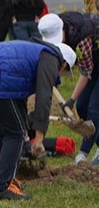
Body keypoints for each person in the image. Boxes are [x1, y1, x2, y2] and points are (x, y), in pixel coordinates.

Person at [0, 39, 76, 200]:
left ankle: (2, 177)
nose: (59, 76)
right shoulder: (51, 57)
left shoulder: (32, 53)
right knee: (15, 133)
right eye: (62, 73)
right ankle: (2, 187)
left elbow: (19, 101)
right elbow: (44, 97)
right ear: (64, 65)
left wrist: (28, 129)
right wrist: (39, 139)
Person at [39, 11, 99, 165]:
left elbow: (85, 73)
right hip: (95, 64)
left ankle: (83, 153)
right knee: (83, 106)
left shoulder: (82, 39)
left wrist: (71, 100)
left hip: (93, 65)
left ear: (62, 30)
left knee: (94, 108)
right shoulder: (55, 23)